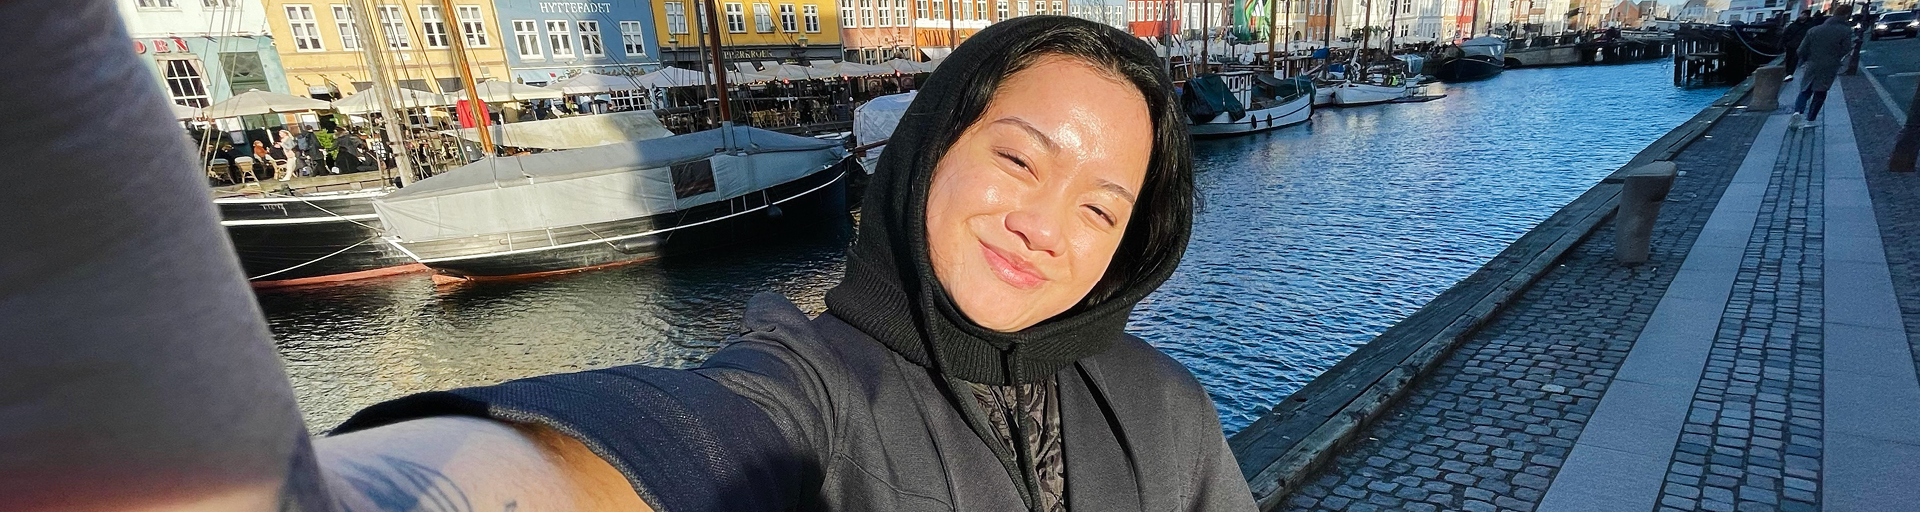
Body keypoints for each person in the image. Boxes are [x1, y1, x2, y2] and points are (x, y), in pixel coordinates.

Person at [2, 4, 1255, 511]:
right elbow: (687, 436)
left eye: (1105, 202)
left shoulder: (1164, 406)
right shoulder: (813, 387)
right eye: (1021, 157)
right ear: (931, 146)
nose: (1050, 219)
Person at [1791, 4, 1855, 129]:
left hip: (1812, 63)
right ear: (1846, 15)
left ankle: (1797, 112)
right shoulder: (1845, 30)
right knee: (1820, 92)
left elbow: (1801, 50)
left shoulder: (1814, 30)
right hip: (1829, 65)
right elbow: (1845, 49)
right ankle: (1811, 119)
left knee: (1805, 90)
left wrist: (1806, 60)